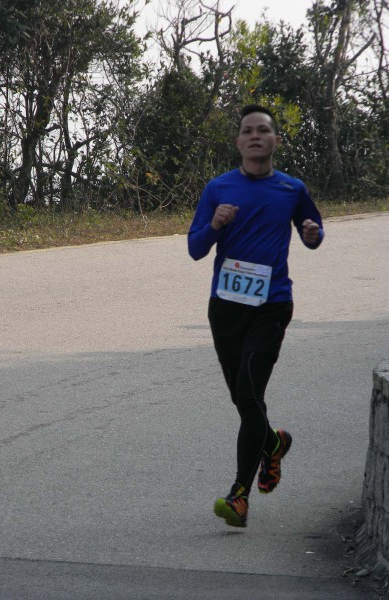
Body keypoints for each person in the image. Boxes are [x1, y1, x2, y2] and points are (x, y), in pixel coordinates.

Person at [187, 104, 324, 528]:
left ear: (276, 140)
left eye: (263, 130)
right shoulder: (218, 188)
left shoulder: (291, 188)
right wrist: (214, 225)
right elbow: (195, 248)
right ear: (238, 142)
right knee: (243, 400)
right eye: (247, 131)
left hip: (272, 304)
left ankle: (239, 496)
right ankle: (274, 443)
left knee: (249, 391)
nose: (255, 136)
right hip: (226, 308)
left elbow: (313, 231)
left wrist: (312, 233)